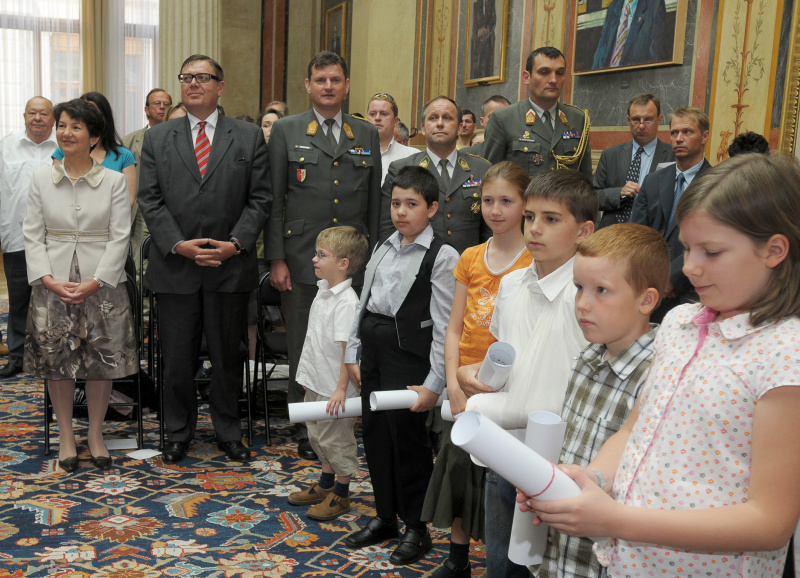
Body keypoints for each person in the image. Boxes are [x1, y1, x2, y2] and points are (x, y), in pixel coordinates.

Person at [523, 152, 800, 578]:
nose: (689, 267)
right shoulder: (680, 323)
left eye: (711, 252)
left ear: (774, 250)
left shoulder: (786, 354)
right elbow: (636, 429)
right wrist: (594, 479)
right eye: (687, 248)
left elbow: (769, 522)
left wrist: (616, 520)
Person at [457, 169, 597, 577]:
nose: (534, 228)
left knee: (553, 562)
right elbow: (508, 356)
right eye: (531, 216)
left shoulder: (587, 296)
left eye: (551, 219)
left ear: (584, 231)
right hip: (506, 447)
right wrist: (473, 375)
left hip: (565, 460)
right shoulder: (512, 283)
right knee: (503, 559)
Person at [137, 54, 271, 464]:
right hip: (176, 268)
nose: (193, 84)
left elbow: (260, 199)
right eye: (187, 77)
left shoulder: (247, 136)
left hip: (229, 268)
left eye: (203, 77)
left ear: (220, 86)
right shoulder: (158, 138)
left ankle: (228, 431)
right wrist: (179, 244)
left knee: (228, 357)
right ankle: (178, 432)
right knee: (176, 359)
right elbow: (149, 200)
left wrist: (235, 244)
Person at [265, 51, 381, 462]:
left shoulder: (365, 133)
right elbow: (275, 198)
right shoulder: (287, 129)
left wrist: (373, 260)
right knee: (305, 344)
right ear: (308, 85)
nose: (328, 86)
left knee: (349, 343)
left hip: (352, 262)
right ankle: (307, 423)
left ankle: (346, 417)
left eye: (335, 80)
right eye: (320, 80)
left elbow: (373, 204)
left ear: (346, 85)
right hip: (302, 259)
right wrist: (276, 258)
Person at [344, 166, 460, 566]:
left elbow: (445, 325)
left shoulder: (442, 255)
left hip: (407, 356)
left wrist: (434, 382)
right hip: (374, 352)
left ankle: (416, 527)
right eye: (396, 203)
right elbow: (363, 302)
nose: (401, 212)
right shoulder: (383, 245)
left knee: (407, 442)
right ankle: (385, 517)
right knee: (375, 436)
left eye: (412, 204)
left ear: (432, 208)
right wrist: (353, 352)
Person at [538, 223, 668, 578]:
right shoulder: (586, 359)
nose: (582, 303)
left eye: (601, 291)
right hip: (562, 551)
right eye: (579, 287)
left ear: (646, 300)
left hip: (610, 557)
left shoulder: (659, 373)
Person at [422, 161, 532, 578]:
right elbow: (454, 328)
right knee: (459, 472)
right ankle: (457, 558)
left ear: (525, 205)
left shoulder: (532, 259)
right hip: (465, 384)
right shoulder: (470, 256)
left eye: (506, 201)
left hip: (507, 387)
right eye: (488, 201)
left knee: (500, 481)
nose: (495, 210)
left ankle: (501, 562)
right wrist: (452, 382)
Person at [23, 98, 136, 472]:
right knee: (57, 361)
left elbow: (120, 236)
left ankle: (96, 434)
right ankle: (66, 435)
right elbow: (32, 233)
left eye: (76, 127)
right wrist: (47, 279)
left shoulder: (114, 181)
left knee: (100, 360)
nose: (66, 133)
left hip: (102, 283)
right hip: (52, 282)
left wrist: (97, 281)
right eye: (62, 126)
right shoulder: (41, 179)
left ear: (94, 137)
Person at [287, 226, 368, 521]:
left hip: (336, 388)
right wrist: (308, 377)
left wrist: (341, 389)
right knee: (318, 436)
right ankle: (325, 485)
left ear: (343, 264)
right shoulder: (322, 291)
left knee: (336, 441)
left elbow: (349, 351)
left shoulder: (346, 302)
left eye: (321, 255)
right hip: (317, 380)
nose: (314, 259)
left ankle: (342, 495)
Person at [379, 96, 491, 254]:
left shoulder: (482, 169)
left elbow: (490, 227)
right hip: (417, 263)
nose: (439, 123)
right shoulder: (401, 168)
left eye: (447, 118)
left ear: (460, 128)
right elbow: (387, 227)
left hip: (469, 263)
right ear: (423, 128)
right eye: (433, 118)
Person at [631, 106, 711, 322]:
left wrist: (672, 278)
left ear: (704, 136)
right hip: (647, 286)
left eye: (687, 132)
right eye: (674, 132)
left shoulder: (717, 184)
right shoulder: (653, 180)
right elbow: (636, 234)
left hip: (691, 290)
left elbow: (709, 242)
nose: (679, 139)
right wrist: (652, 277)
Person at [0, 96, 57, 379]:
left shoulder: (65, 146)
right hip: (16, 236)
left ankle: (54, 356)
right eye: (32, 113)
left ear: (53, 119)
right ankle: (17, 357)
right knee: (20, 300)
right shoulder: (6, 146)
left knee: (57, 301)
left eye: (43, 113)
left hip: (56, 239)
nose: (37, 118)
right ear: (24, 116)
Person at [484, 47, 592, 180]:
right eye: (544, 72)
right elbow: (490, 177)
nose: (553, 79)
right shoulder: (504, 119)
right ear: (526, 77)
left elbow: (586, 178)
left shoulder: (578, 119)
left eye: (559, 73)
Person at [594, 93, 675, 228]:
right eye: (636, 119)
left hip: (651, 232)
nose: (641, 126)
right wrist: (619, 193)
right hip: (612, 233)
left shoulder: (673, 156)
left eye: (648, 119)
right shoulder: (610, 155)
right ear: (628, 120)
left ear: (659, 120)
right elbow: (593, 197)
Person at [122, 88, 173, 300]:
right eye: (156, 104)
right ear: (146, 109)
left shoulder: (179, 138)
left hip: (170, 210)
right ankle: (142, 313)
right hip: (141, 210)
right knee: (139, 266)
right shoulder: (130, 141)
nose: (161, 108)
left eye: (166, 104)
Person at [53, 92, 137, 208]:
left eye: (93, 113)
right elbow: (56, 193)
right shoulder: (63, 152)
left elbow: (127, 202)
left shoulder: (124, 155)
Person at [591, 0, 669, 70]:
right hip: (607, 78)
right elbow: (599, 57)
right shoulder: (613, 7)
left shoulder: (655, 4)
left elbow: (656, 58)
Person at [367, 92, 417, 184]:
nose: (377, 118)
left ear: (395, 121)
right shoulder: (354, 152)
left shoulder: (412, 156)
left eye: (384, 114)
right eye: (373, 114)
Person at [470, 0, 497, 79]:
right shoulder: (478, 3)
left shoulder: (492, 2)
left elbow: (493, 20)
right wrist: (479, 32)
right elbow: (475, 24)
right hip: (478, 40)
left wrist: (486, 31)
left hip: (489, 39)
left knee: (487, 65)